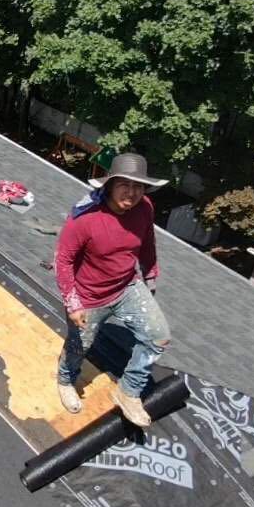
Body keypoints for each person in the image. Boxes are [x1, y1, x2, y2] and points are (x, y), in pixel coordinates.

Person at [54, 153, 171, 427]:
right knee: (78, 347)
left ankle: (128, 392)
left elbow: (147, 243)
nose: (131, 193)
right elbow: (63, 260)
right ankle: (65, 380)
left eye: (138, 186)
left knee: (159, 336)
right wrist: (73, 304)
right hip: (89, 297)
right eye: (124, 185)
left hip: (127, 286)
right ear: (109, 185)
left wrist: (151, 276)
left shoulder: (145, 208)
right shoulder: (84, 218)